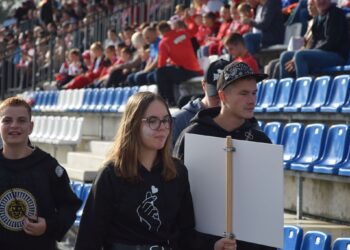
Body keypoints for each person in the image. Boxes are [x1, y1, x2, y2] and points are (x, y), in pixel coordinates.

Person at [74, 91, 236, 250]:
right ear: (133, 124)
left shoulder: (178, 172)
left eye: (166, 120)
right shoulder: (111, 174)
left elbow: (185, 234)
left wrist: (212, 246)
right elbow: (89, 239)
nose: (162, 127)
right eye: (152, 121)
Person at [173, 62, 274, 250]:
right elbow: (178, 202)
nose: (252, 100)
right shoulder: (193, 135)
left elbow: (266, 210)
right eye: (243, 94)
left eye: (254, 93)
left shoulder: (261, 141)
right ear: (222, 96)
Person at [0, 97, 81, 250]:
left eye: (22, 120)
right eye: (7, 120)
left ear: (31, 127)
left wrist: (48, 226)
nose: (14, 125)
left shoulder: (47, 166)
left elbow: (69, 206)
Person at [279, 0, 349, 78]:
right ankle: (290, 89)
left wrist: (304, 53)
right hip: (322, 53)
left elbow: (330, 43)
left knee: (300, 56)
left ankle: (303, 88)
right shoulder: (318, 17)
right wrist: (301, 52)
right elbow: (314, 42)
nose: (322, 1)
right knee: (285, 56)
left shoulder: (336, 13)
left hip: (336, 55)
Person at [172, 59, 230, 146]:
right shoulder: (179, 120)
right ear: (203, 85)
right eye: (215, 95)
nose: (221, 100)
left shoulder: (241, 121)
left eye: (227, 94)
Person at [155, 21, 203, 106]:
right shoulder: (183, 33)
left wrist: (171, 62)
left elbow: (161, 64)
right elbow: (195, 29)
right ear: (169, 27)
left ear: (160, 32)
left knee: (161, 72)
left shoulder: (164, 42)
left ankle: (167, 100)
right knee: (166, 73)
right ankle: (169, 100)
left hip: (186, 71)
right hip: (196, 70)